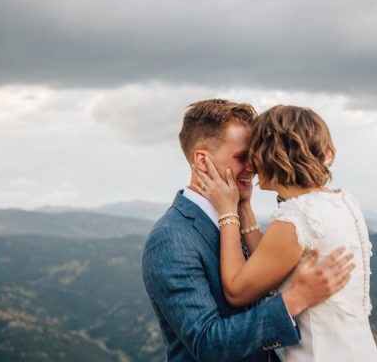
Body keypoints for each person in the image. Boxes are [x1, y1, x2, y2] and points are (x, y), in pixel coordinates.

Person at [142, 99, 355, 362]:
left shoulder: (239, 217)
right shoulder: (171, 238)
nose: (254, 167)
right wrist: (295, 299)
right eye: (243, 157)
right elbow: (208, 343)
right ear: (202, 161)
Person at [193, 105, 377, 361]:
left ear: (269, 155)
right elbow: (272, 266)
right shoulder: (342, 202)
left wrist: (229, 212)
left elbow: (237, 290)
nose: (250, 167)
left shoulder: (296, 218)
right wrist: (245, 206)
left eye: (253, 153)